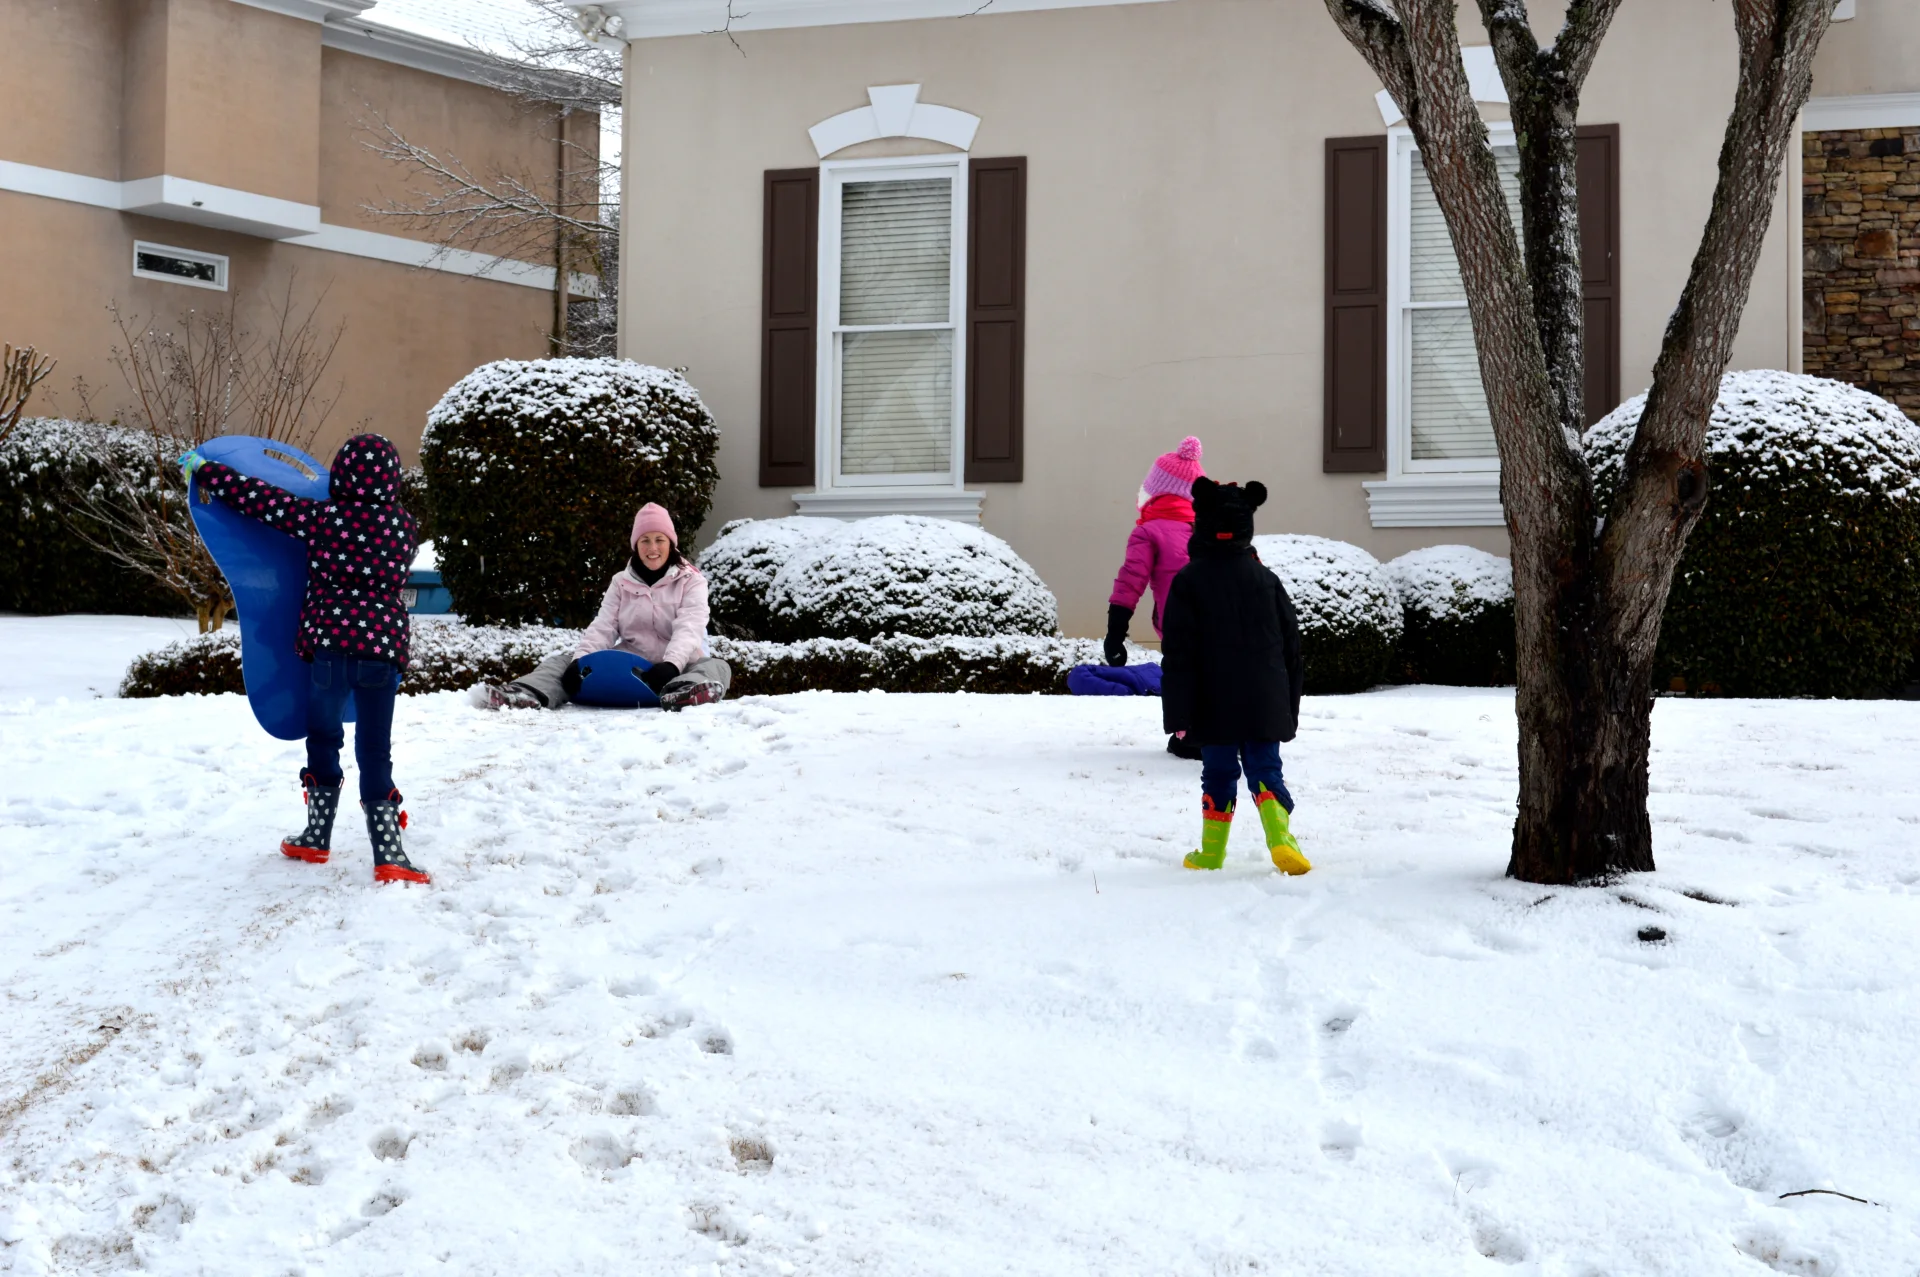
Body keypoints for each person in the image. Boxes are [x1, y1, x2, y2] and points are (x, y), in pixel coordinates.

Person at [182, 434, 432, 886]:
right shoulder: (404, 527)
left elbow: (261, 500)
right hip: (383, 652)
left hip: (330, 647)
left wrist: (206, 471)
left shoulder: (323, 518)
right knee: (375, 749)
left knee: (323, 736)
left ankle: (316, 837)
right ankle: (389, 853)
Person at [1159, 477, 1310, 875]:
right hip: (1264, 696)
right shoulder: (1266, 580)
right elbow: (1291, 649)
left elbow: (1177, 654)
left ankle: (1211, 852)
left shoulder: (1188, 582)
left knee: (1218, 771)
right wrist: (1288, 706)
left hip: (1211, 701)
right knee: (1265, 767)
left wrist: (1179, 714)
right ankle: (1281, 839)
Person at [478, 502, 731, 712]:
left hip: (675, 670)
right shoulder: (621, 582)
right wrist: (580, 661)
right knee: (562, 662)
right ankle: (525, 694)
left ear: (671, 543)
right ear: (636, 545)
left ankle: (684, 693)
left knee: (717, 666)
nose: (652, 548)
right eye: (645, 540)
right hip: (633, 668)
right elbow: (604, 626)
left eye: (659, 540)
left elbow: (690, 626)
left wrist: (672, 665)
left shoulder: (691, 581)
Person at [1104, 435, 1205, 760]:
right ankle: (1225, 734)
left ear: (1155, 490)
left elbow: (1130, 581)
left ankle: (1189, 737)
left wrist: (1116, 632)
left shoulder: (1148, 531)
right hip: (1221, 620)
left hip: (1177, 624)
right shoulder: (1208, 529)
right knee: (1215, 674)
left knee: (1181, 676)